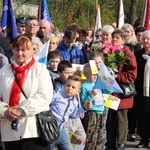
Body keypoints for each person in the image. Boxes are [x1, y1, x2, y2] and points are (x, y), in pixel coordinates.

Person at [0, 35, 53, 150]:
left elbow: (45, 96)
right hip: (10, 132)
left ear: (31, 51)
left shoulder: (39, 69)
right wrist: (5, 111)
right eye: (17, 49)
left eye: (23, 50)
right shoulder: (4, 71)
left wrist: (21, 109)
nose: (20, 54)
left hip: (33, 131)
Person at [106, 29, 137, 150]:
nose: (114, 39)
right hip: (111, 91)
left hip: (122, 93)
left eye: (117, 37)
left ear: (123, 40)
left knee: (121, 118)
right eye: (113, 37)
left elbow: (132, 75)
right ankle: (111, 142)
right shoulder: (109, 53)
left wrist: (117, 76)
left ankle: (121, 143)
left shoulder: (128, 54)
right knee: (111, 118)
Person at [50, 75, 92, 150]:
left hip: (60, 130)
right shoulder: (56, 95)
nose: (69, 88)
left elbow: (73, 115)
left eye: (73, 87)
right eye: (68, 85)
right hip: (50, 129)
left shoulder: (74, 102)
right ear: (64, 85)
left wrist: (84, 108)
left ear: (78, 91)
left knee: (69, 148)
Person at [80, 63, 105, 150]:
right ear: (86, 74)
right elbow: (83, 102)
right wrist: (91, 95)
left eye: (96, 74)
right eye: (92, 74)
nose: (95, 76)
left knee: (99, 136)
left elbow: (105, 94)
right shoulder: (84, 86)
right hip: (91, 113)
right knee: (91, 136)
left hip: (100, 112)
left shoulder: (98, 84)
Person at [135, 30, 150, 148]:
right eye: (144, 39)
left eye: (148, 39)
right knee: (142, 116)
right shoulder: (138, 55)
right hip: (141, 91)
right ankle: (144, 139)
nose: (146, 41)